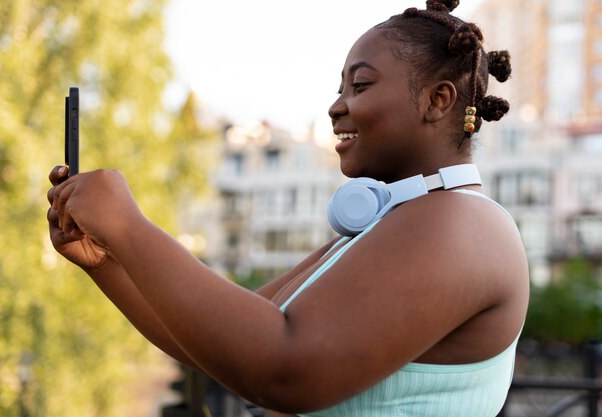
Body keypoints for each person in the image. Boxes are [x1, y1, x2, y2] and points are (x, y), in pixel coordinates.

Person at [46, 1, 529, 415]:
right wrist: (108, 261)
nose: (336, 106)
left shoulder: (458, 223)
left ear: (437, 100)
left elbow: (283, 369)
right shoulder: (392, 224)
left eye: (359, 86)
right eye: (340, 88)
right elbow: (224, 344)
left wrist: (130, 228)